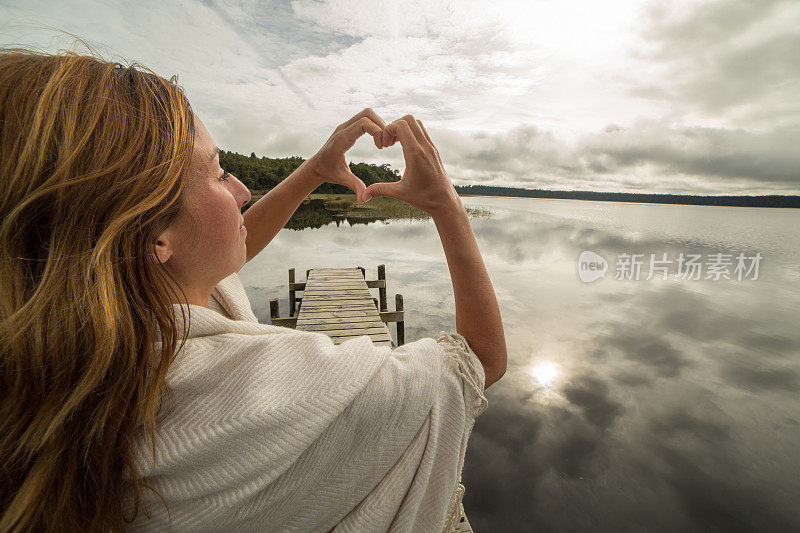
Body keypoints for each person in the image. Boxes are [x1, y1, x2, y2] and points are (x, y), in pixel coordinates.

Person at [0, 48, 506, 532]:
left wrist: (315, 170)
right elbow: (478, 362)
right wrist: (445, 204)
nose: (242, 190)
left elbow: (226, 252)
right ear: (157, 237)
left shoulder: (84, 351)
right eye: (219, 172)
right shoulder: (270, 394)